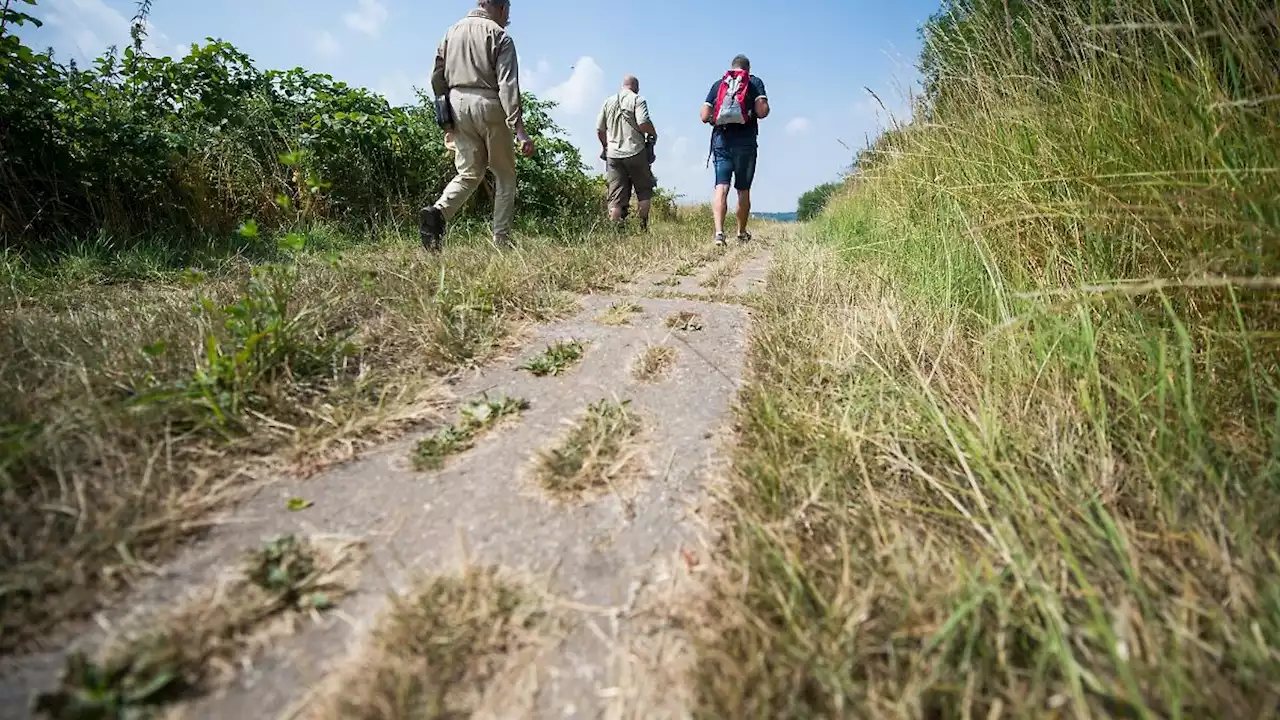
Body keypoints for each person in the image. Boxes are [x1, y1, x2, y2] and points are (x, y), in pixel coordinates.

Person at [419, 0, 535, 251]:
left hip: (457, 103)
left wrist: (447, 119)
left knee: (469, 173)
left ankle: (437, 214)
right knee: (505, 175)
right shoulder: (500, 36)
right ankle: (501, 240)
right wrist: (519, 129)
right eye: (508, 15)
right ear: (502, 9)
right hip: (490, 103)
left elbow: (436, 77)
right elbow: (507, 85)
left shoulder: (451, 32)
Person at [700, 54, 769, 246]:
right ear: (748, 69)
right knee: (743, 189)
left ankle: (719, 233)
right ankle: (741, 232)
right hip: (745, 143)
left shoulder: (719, 84)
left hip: (721, 142)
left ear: (732, 67)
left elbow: (704, 115)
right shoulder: (753, 82)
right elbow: (762, 111)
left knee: (721, 187)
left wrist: (717, 118)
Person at [596, 75, 658, 231]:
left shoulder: (608, 101)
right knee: (643, 191)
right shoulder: (637, 99)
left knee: (616, 197)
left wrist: (605, 146)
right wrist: (654, 133)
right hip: (635, 150)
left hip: (613, 154)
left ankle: (615, 232)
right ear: (636, 87)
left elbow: (599, 129)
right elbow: (643, 122)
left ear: (622, 85)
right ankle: (642, 228)